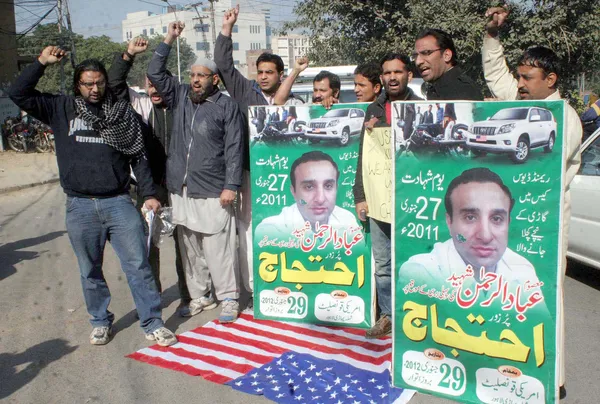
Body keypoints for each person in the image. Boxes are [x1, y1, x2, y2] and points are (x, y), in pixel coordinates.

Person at [8, 46, 177, 347]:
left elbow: (139, 156)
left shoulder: (122, 111)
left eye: (99, 82)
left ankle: (152, 322)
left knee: (138, 265)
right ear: (78, 85)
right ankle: (100, 321)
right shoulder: (60, 108)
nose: (95, 88)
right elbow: (19, 94)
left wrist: (149, 194)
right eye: (88, 83)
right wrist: (41, 62)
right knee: (90, 270)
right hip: (79, 205)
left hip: (119, 202)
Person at [482, 6, 583, 398]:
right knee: (509, 300)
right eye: (519, 77)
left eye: (527, 77)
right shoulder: (526, 104)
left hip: (544, 227)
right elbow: (496, 74)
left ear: (550, 80)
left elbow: (541, 177)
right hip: (513, 225)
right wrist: (492, 36)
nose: (519, 84)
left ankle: (551, 382)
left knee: (543, 303)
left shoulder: (566, 120)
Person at [148, 21, 244, 323]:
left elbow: (234, 147)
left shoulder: (226, 106)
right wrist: (169, 38)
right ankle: (199, 295)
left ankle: (228, 297)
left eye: (201, 76)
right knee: (189, 248)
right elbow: (154, 72)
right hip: (182, 188)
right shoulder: (179, 96)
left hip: (214, 189)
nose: (195, 81)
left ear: (214, 79)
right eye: (192, 75)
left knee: (219, 247)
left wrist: (231, 185)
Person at [215, 5, 306, 307]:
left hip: (288, 176)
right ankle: (256, 291)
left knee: (289, 227)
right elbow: (223, 65)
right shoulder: (244, 92)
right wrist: (227, 28)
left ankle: (291, 283)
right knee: (251, 229)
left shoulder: (296, 100)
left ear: (281, 74)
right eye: (261, 72)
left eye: (270, 72)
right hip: (252, 174)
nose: (264, 76)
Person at [107, 37, 200, 317]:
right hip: (148, 188)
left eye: (159, 83)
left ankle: (189, 295)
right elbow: (114, 83)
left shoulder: (182, 107)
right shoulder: (140, 106)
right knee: (147, 247)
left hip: (180, 186)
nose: (154, 88)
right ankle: (151, 299)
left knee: (184, 245)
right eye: (149, 84)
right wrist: (129, 55)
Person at [353, 53, 422, 339]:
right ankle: (388, 316)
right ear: (381, 78)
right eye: (387, 73)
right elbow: (364, 157)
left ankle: (417, 317)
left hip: (412, 199)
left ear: (409, 75)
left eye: (398, 72)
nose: (392, 77)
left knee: (413, 260)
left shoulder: (423, 108)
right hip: (379, 200)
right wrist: (360, 195)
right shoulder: (373, 110)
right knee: (382, 263)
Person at [400, 168, 539, 289]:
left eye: (497, 219)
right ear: (449, 222)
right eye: (470, 217)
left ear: (508, 223)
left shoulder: (523, 271)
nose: (485, 236)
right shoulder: (422, 272)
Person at [256, 151, 358, 235]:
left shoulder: (348, 222)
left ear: (336, 188)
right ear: (293, 192)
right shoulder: (272, 230)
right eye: (309, 187)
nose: (320, 199)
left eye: (328, 186)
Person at [414, 28, 482, 101]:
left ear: (447, 55)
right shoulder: (437, 88)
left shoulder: (462, 90)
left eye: (426, 53)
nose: (418, 62)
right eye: (415, 56)